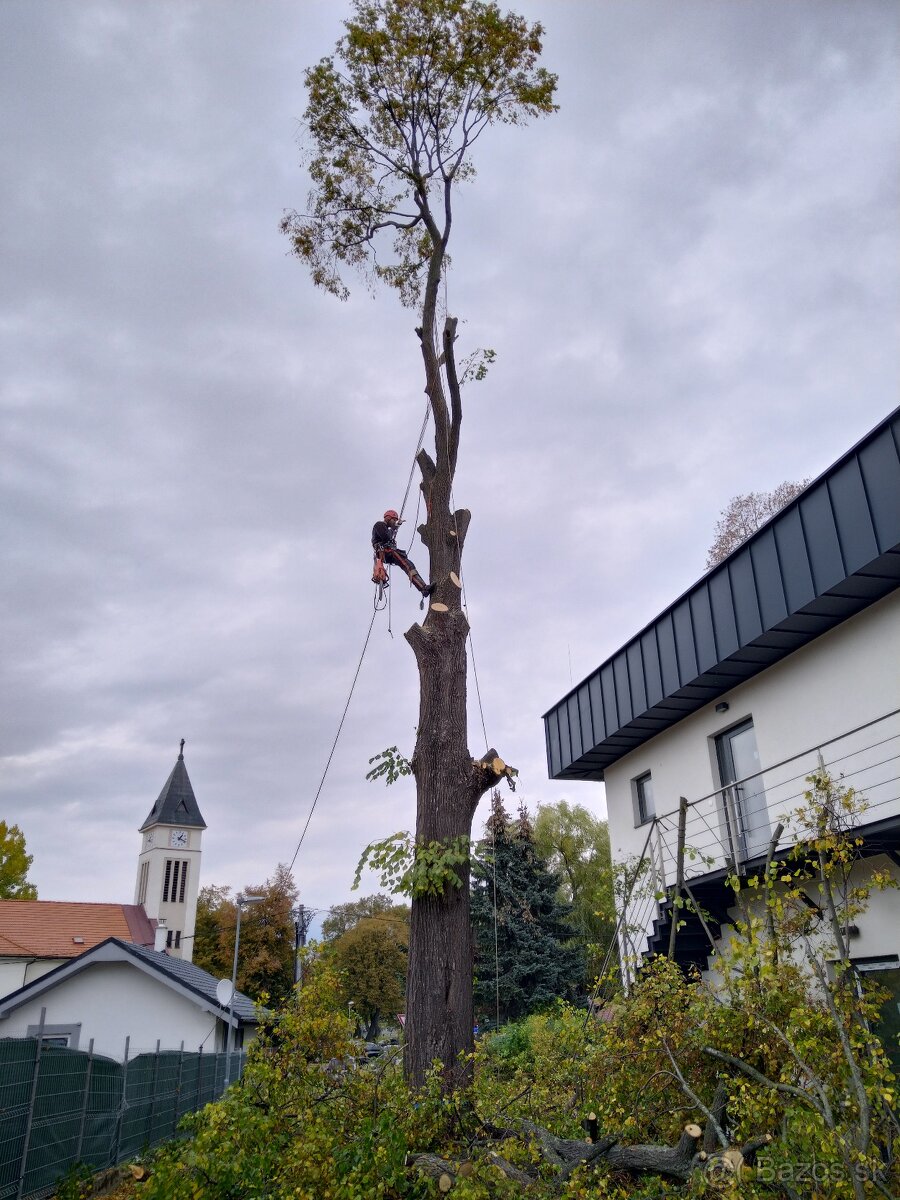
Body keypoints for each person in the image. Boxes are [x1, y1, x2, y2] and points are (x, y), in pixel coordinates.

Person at [372, 509, 435, 598]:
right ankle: (423, 588)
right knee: (407, 565)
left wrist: (396, 526)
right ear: (388, 518)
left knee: (409, 565)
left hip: (388, 552)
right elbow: (386, 537)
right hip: (387, 552)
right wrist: (395, 527)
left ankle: (423, 588)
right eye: (394, 520)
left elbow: (389, 535)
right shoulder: (380, 525)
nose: (394, 522)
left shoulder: (386, 528)